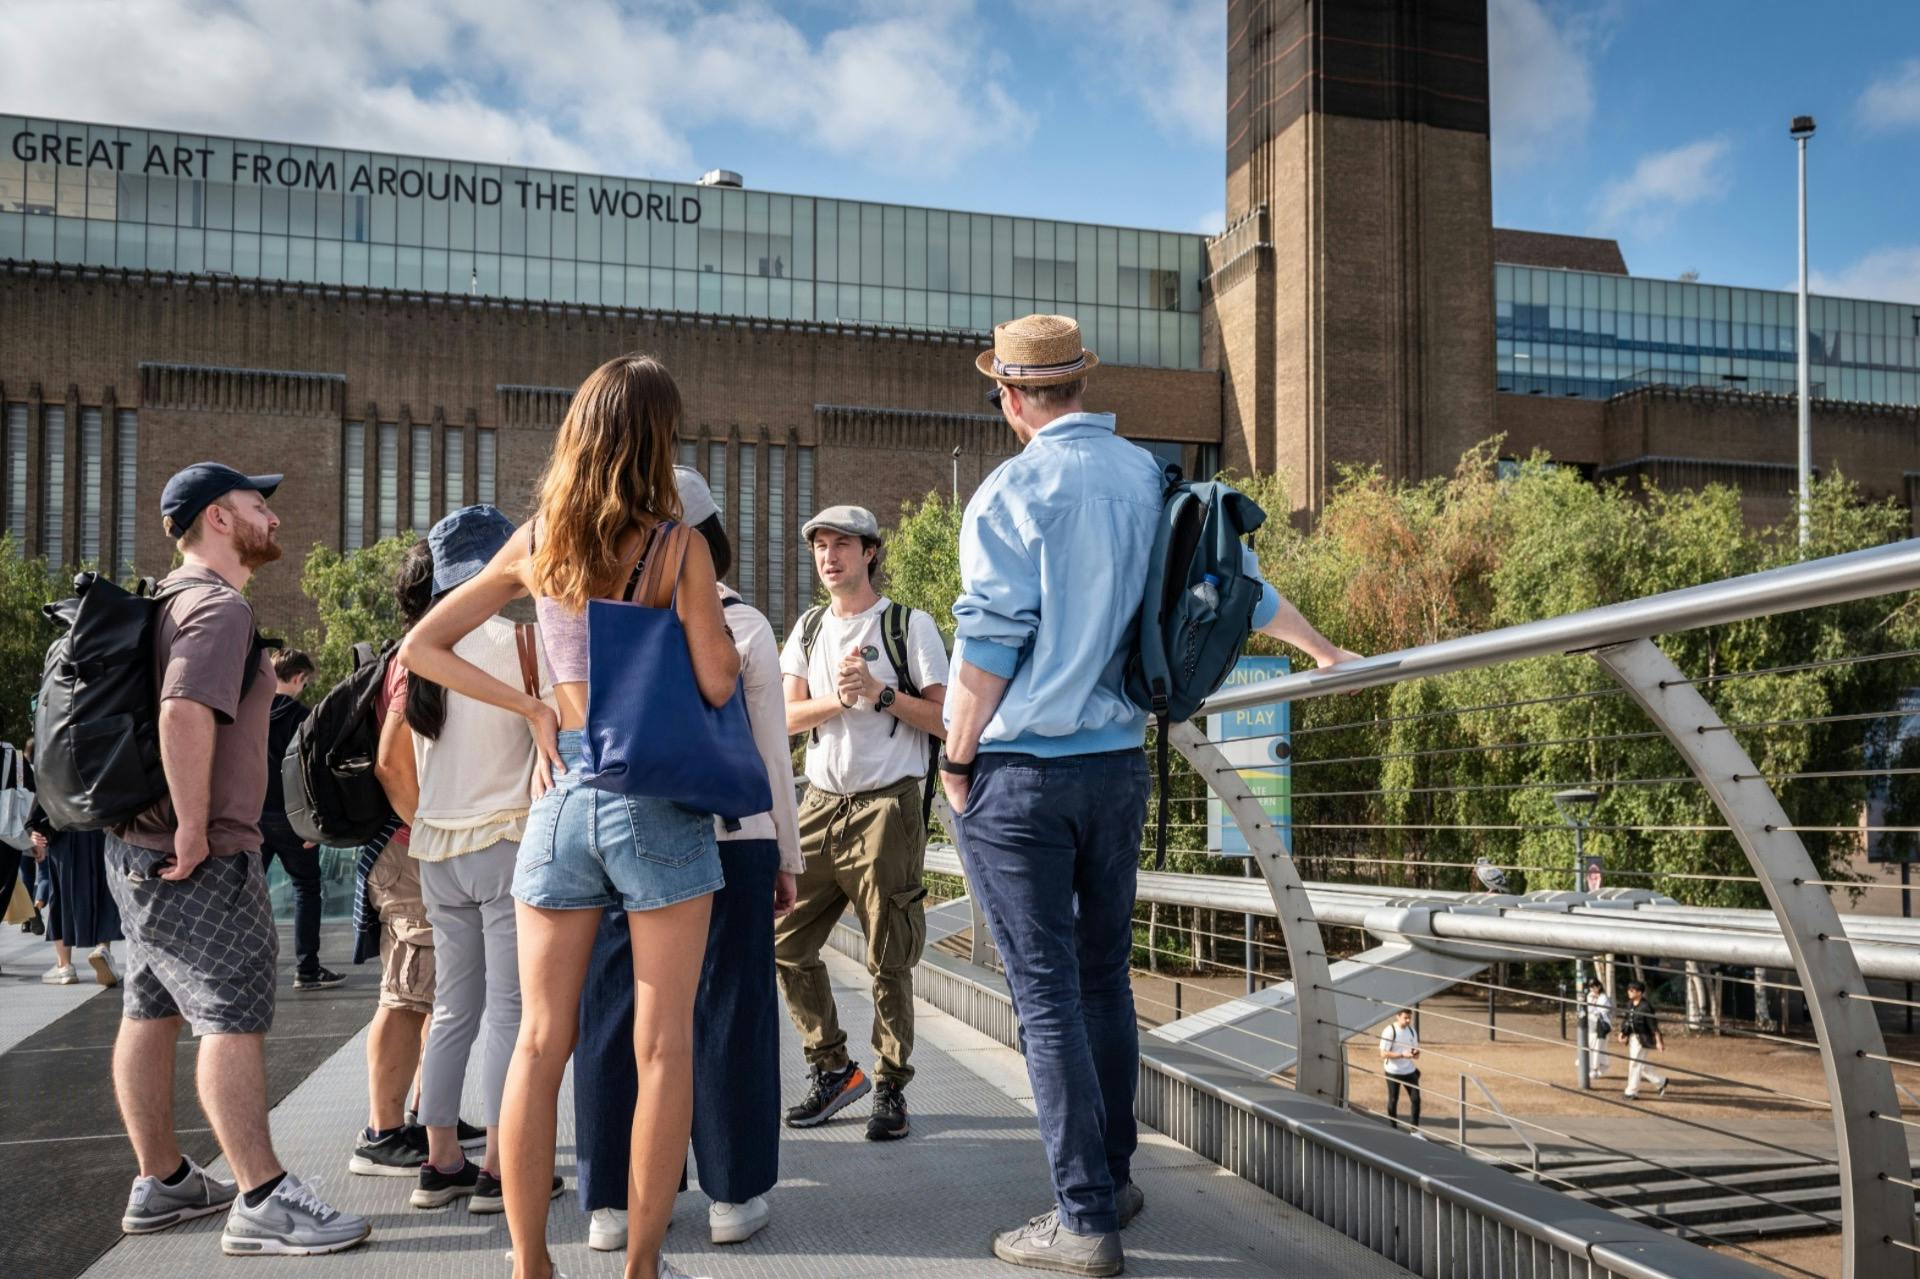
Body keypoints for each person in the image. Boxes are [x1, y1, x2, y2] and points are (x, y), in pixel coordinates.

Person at [943, 315, 1358, 1276]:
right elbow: (1239, 583)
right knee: (1101, 978)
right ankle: (1114, 1176)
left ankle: (1083, 1219)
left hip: (1023, 776)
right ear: (1081, 384)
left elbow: (991, 642)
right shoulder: (1152, 478)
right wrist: (1324, 651)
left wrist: (957, 760)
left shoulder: (1008, 493)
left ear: (1010, 398)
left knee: (1042, 993)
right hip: (1121, 765)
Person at [400, 353, 736, 1279]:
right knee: (661, 1044)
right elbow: (715, 678)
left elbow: (423, 644)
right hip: (656, 804)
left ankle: (528, 1263)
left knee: (540, 1042)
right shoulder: (677, 547)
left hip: (561, 802)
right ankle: (638, 1267)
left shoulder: (536, 539)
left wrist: (536, 709)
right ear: (656, 440)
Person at [105, 462, 369, 1254]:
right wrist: (195, 825)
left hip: (134, 846)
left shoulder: (163, 598)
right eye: (260, 505)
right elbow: (183, 709)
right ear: (219, 517)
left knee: (148, 1008)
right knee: (231, 1016)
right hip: (200, 852)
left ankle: (163, 1180)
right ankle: (261, 1194)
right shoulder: (216, 607)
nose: (274, 519)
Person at [576, 467, 803, 1253]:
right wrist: (785, 850)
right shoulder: (743, 625)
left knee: (615, 1007)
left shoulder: (597, 618)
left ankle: (613, 1198)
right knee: (729, 1006)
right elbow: (770, 750)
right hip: (732, 831)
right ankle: (733, 1193)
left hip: (622, 829)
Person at [385, 505, 548, 1215]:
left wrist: (428, 816)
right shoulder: (522, 643)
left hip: (437, 849)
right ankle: (504, 1172)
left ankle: (441, 1157)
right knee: (511, 1010)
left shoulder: (419, 651)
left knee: (453, 1007)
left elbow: (393, 762)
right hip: (506, 842)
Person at [775, 504, 947, 1141]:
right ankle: (836, 1069)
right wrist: (839, 700)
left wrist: (879, 693)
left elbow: (946, 723)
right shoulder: (810, 628)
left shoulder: (908, 624)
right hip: (820, 804)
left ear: (870, 552)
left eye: (842, 544)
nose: (829, 557)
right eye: (820, 546)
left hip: (886, 807)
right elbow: (786, 720)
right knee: (784, 941)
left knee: (888, 956)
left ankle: (891, 1087)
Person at [259, 649, 341, 991]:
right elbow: (314, 774)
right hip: (293, 819)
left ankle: (250, 969)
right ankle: (306, 969)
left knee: (249, 892)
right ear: (297, 678)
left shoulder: (250, 711)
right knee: (307, 889)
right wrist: (316, 824)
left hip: (254, 816)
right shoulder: (305, 718)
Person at [1617, 979, 1670, 1099]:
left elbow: (1653, 1026)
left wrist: (1659, 1041)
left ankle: (1631, 1092)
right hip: (1633, 1038)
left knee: (1635, 1064)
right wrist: (1622, 1033)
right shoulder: (1630, 1004)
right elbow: (1627, 1020)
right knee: (1641, 1065)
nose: (1629, 992)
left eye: (1632, 990)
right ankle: (1661, 1082)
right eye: (1628, 990)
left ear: (1639, 992)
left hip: (1643, 1039)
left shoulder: (1646, 1007)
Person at [1379, 1009, 1422, 1133]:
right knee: (1393, 1099)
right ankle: (1393, 1128)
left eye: (1409, 1018)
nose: (1408, 1021)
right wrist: (1402, 1055)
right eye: (1405, 1018)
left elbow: (1416, 1053)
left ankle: (1414, 1130)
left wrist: (1415, 1053)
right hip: (1393, 1071)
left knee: (1416, 1099)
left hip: (1409, 1070)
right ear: (1398, 1016)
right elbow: (1383, 1054)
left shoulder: (1412, 1031)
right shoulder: (1389, 1031)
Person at [1585, 978, 1613, 1079]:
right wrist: (1592, 1003)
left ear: (1599, 986)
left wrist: (1594, 1006)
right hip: (1591, 1024)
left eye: (1593, 986)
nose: (1591, 988)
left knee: (1598, 1047)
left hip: (1601, 1026)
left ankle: (1595, 1069)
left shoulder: (1603, 997)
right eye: (1590, 987)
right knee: (1591, 1045)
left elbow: (1603, 1011)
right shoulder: (1589, 996)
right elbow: (1588, 1009)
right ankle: (1598, 1067)